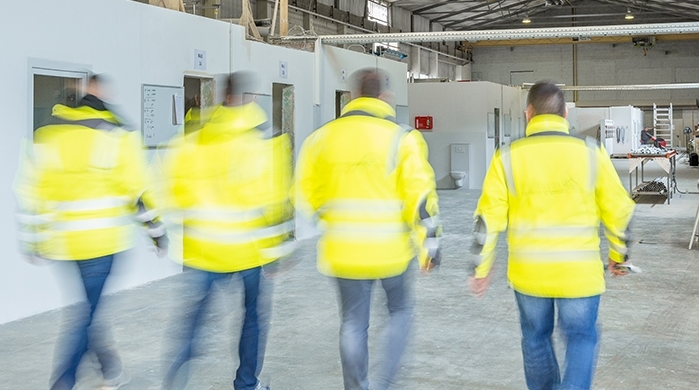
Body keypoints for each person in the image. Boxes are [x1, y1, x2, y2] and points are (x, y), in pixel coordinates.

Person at [469, 81, 635, 390]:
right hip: (579, 273)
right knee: (581, 338)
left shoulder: (507, 156)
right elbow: (619, 210)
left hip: (529, 273)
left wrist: (480, 268)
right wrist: (618, 255)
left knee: (535, 339)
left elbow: (487, 219)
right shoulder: (591, 152)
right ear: (565, 113)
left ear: (528, 114)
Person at [15, 74, 165, 390]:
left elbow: (31, 190)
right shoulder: (116, 135)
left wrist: (32, 238)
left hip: (63, 242)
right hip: (102, 243)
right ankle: (64, 381)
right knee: (86, 315)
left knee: (88, 310)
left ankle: (110, 369)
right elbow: (137, 191)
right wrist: (155, 230)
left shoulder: (46, 136)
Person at [294, 68, 441, 390]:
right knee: (400, 312)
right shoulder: (402, 138)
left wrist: (328, 220)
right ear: (384, 97)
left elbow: (304, 193)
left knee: (352, 323)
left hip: (343, 250)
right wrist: (429, 246)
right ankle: (383, 383)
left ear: (352, 96)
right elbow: (420, 199)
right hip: (392, 251)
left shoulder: (321, 138)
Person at [162, 71, 292, 390]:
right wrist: (278, 251)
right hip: (249, 251)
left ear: (224, 95)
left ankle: (175, 382)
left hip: (204, 250)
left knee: (193, 323)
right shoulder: (267, 140)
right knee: (252, 320)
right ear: (251, 97)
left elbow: (174, 189)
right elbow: (276, 200)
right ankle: (246, 384)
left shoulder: (195, 137)